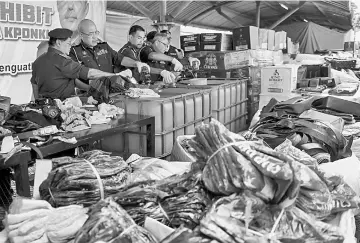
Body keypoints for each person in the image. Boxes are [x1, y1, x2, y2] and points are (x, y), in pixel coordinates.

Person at [30, 28, 129, 100]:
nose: (70, 47)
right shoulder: (62, 61)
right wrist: (115, 75)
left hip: (45, 105)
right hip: (63, 106)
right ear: (59, 43)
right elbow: (90, 73)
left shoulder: (38, 61)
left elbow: (34, 85)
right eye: (68, 44)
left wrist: (88, 89)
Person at [69, 19, 150, 85]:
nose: (95, 37)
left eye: (96, 33)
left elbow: (120, 59)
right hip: (89, 93)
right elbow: (87, 74)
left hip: (111, 89)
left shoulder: (104, 46)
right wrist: (116, 75)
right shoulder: (74, 52)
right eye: (90, 34)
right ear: (81, 35)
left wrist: (136, 63)